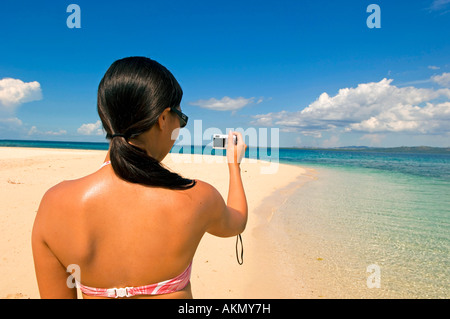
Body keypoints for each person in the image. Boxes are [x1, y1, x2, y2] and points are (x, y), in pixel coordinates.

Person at [31, 57, 248, 299]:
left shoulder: (54, 204)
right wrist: (234, 165)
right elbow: (237, 222)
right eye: (181, 118)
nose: (180, 127)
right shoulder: (197, 197)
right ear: (163, 118)